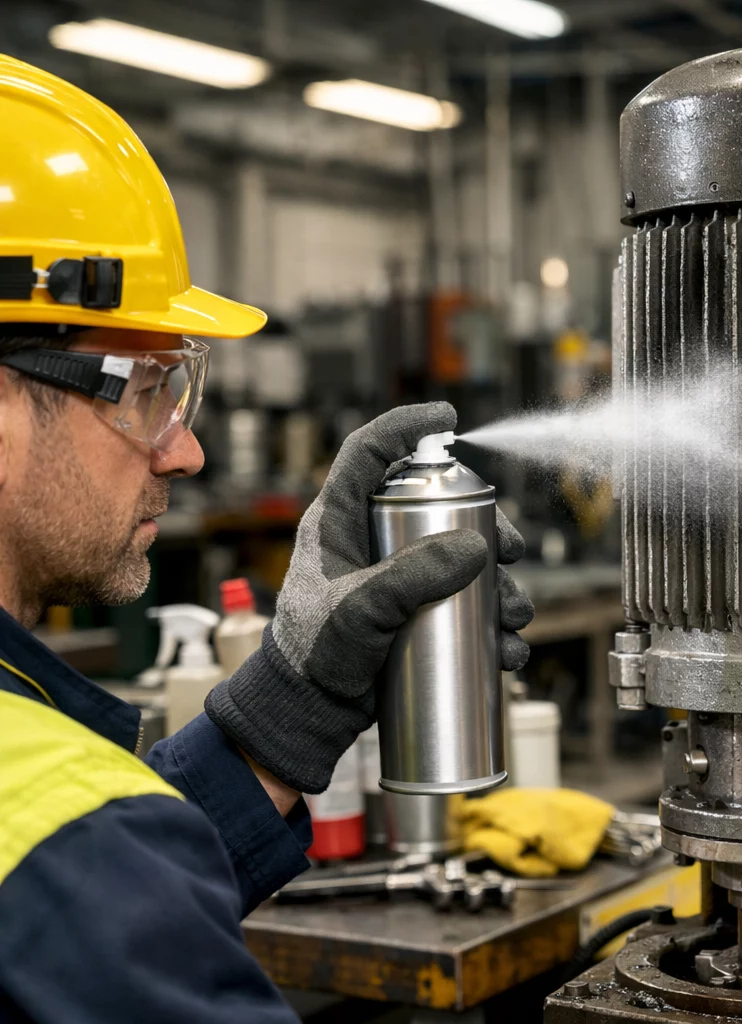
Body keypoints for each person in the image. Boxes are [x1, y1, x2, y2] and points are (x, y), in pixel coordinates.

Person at [0, 54, 534, 1022]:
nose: (188, 451)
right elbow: (93, 870)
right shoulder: (57, 842)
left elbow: (115, 875)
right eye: (148, 388)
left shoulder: (61, 837)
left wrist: (292, 706)